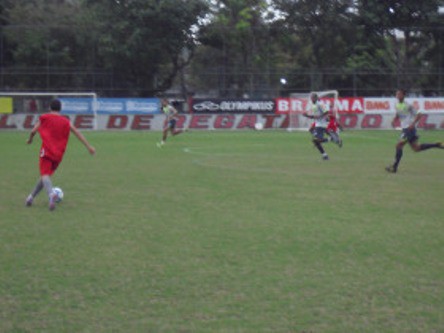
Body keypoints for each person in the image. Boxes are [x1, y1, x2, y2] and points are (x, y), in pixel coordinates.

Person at [25, 99, 96, 210]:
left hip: (47, 151)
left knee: (45, 175)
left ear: (50, 108)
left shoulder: (44, 117)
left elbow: (33, 131)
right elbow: (77, 132)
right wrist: (89, 147)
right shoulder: (66, 121)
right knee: (45, 176)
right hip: (58, 154)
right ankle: (30, 198)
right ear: (60, 109)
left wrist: (30, 139)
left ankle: (51, 195)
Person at [385, 89, 443, 173]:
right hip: (405, 129)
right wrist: (394, 119)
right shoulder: (397, 104)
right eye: (396, 94)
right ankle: (437, 144)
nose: (397, 95)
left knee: (398, 145)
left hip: (409, 129)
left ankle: (394, 167)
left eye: (399, 94)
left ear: (403, 95)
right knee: (416, 148)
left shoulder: (408, 105)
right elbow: (398, 113)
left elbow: (419, 114)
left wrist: (413, 124)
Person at [303, 93, 330, 160]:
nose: (311, 99)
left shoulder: (320, 104)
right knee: (314, 139)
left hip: (322, 124)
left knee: (316, 140)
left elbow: (326, 112)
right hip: (317, 123)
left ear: (315, 98)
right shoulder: (314, 105)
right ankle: (325, 156)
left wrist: (321, 117)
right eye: (311, 98)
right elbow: (315, 116)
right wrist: (307, 115)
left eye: (312, 98)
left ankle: (331, 139)